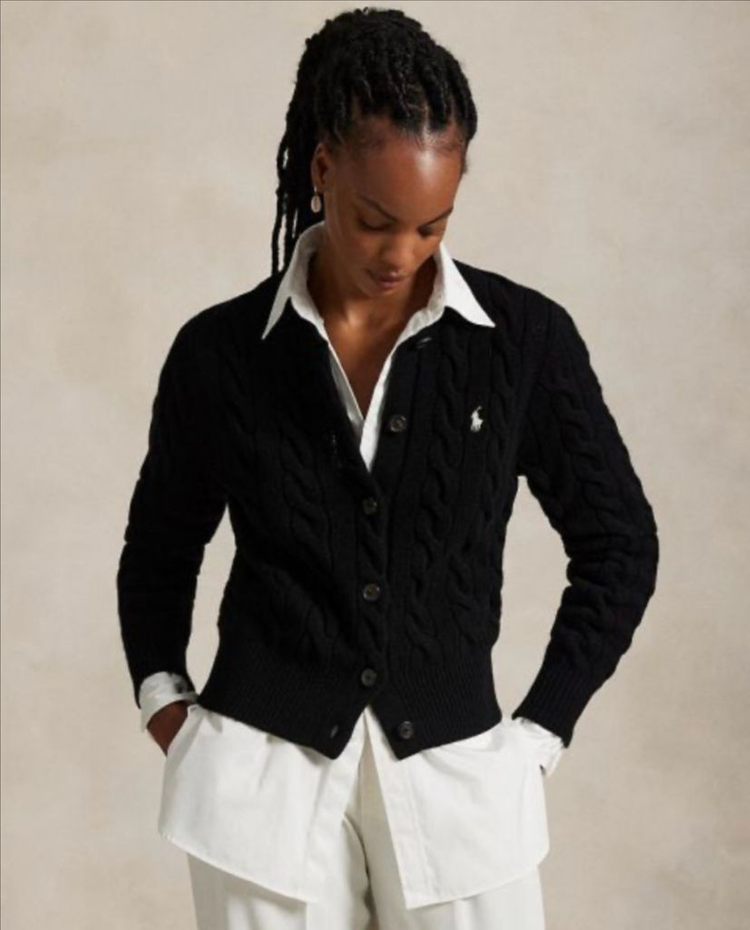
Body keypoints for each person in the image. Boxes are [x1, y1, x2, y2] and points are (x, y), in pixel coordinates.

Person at [116, 7, 660, 929]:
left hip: (460, 784)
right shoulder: (220, 353)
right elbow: (160, 549)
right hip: (261, 786)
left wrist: (540, 732)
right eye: (376, 222)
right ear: (322, 168)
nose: (401, 255)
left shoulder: (522, 342)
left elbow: (620, 542)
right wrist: (166, 703)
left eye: (432, 226)